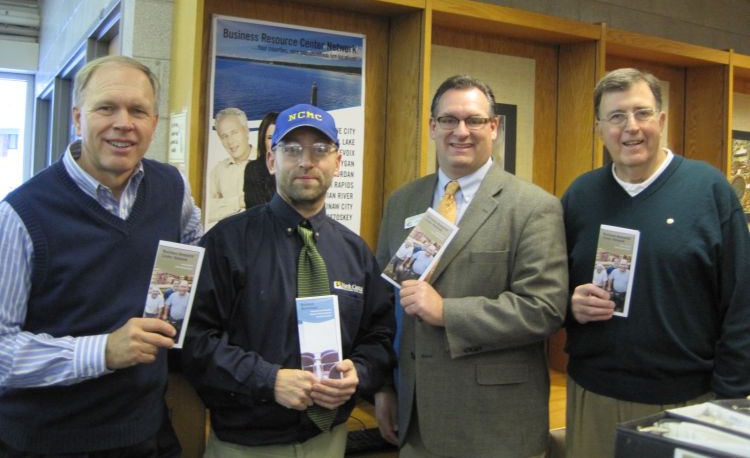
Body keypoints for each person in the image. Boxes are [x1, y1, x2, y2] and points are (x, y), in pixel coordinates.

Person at [0, 55, 202, 455]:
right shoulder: (21, 214)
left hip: (146, 430)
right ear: (78, 118)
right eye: (106, 107)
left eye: (138, 110)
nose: (123, 123)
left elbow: (192, 245)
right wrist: (103, 351)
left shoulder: (172, 187)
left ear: (154, 124)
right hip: (48, 441)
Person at [183, 103, 394, 457]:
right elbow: (193, 339)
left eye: (320, 150)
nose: (306, 161)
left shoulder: (355, 252)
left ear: (338, 162)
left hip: (329, 442)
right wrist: (269, 380)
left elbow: (380, 335)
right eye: (291, 149)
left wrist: (360, 371)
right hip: (245, 445)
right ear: (270, 160)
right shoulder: (226, 242)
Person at [375, 75, 568, 458]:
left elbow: (543, 310)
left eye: (474, 121)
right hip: (415, 425)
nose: (460, 131)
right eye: (448, 120)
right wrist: (384, 386)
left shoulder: (533, 207)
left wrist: (446, 311)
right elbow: (383, 306)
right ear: (432, 127)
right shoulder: (402, 202)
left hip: (494, 428)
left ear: (493, 128)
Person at [563, 68, 750, 458]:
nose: (631, 127)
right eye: (616, 117)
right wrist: (570, 304)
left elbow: (741, 303)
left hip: (687, 400)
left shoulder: (709, 190)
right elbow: (551, 286)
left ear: (661, 120)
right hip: (592, 395)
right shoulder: (580, 196)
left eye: (642, 113)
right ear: (599, 128)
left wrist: (729, 400)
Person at [208, 107, 252, 224]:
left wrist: (223, 205)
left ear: (246, 131)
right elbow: (206, 210)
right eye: (224, 136)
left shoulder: (266, 163)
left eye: (234, 132)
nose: (230, 141)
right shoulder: (219, 170)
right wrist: (239, 202)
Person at [244, 111, 278, 208]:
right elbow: (259, 213)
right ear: (263, 140)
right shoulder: (254, 169)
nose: (275, 142)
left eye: (279, 136)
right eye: (270, 137)